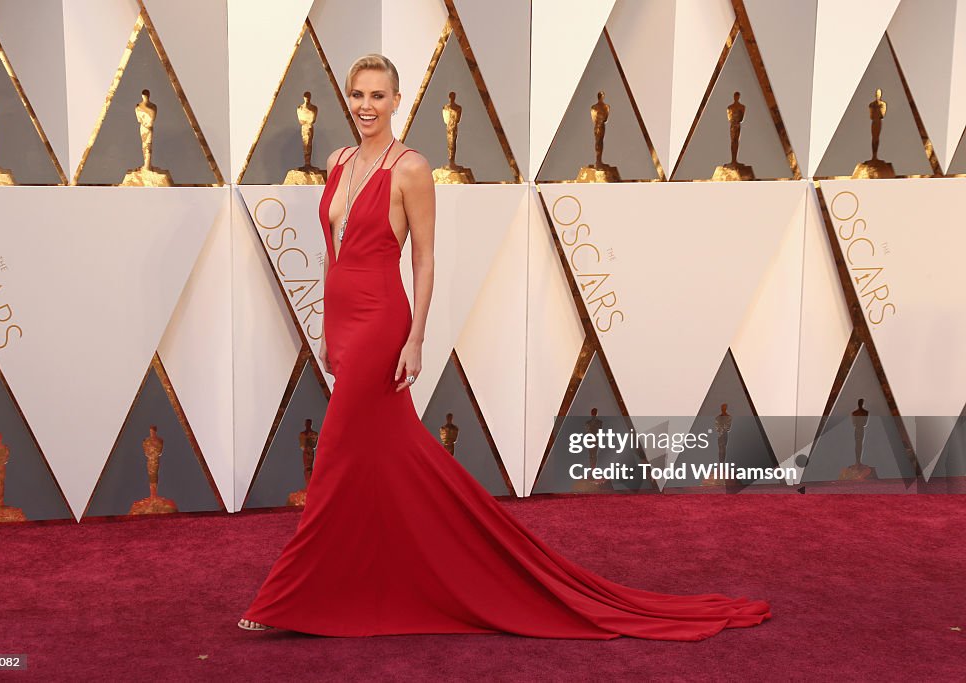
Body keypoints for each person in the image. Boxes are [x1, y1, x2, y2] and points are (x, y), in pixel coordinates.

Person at [238, 53, 771, 640]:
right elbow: (332, 250)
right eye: (358, 95)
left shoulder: (411, 168)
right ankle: (389, 577)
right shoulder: (338, 162)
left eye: (378, 96)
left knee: (338, 458)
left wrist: (415, 336)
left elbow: (423, 258)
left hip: (380, 324)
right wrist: (323, 326)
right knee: (386, 457)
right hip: (340, 320)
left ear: (398, 101)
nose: (366, 106)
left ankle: (286, 596)